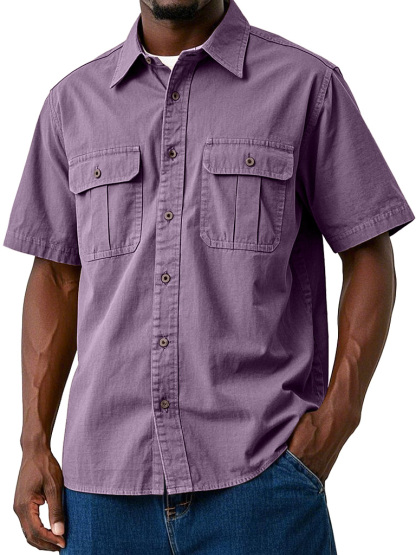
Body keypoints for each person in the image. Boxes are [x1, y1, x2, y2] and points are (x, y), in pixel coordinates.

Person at [4, 0, 414, 552]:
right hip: (101, 495)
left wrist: (336, 420)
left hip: (261, 483)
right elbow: (56, 276)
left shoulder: (306, 86)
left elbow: (367, 250)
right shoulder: (71, 103)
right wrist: (33, 442)